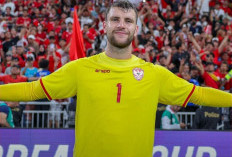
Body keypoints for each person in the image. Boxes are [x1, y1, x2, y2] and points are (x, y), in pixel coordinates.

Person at [0, 1, 231, 157]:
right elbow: (32, 91)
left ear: (136, 28)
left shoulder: (155, 74)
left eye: (128, 21)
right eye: (116, 19)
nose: (122, 25)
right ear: (104, 25)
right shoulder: (80, 69)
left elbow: (200, 94)